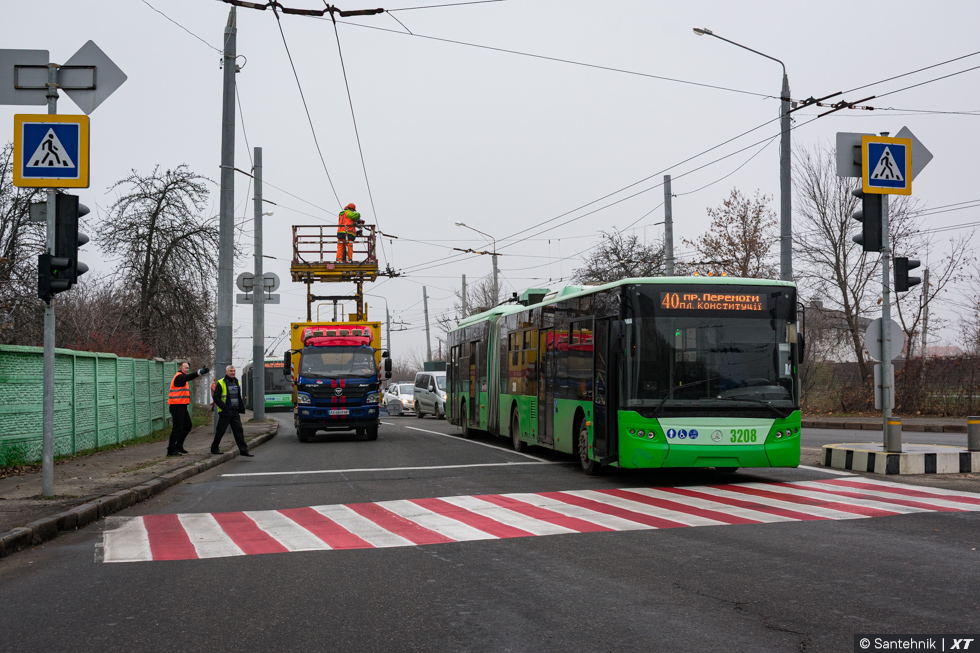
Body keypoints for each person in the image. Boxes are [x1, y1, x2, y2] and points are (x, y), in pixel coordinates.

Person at [167, 362, 209, 457]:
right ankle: (171, 450)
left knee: (187, 425)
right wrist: (199, 373)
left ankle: (179, 446)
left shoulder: (182, 377)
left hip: (181, 406)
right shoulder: (179, 377)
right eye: (185, 368)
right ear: (180, 368)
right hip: (176, 406)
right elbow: (187, 377)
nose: (187, 369)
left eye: (187, 368)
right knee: (177, 428)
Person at [211, 365, 253, 456]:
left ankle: (243, 450)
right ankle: (214, 448)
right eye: (231, 371)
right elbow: (216, 397)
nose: (233, 372)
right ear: (226, 372)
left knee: (239, 431)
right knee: (220, 431)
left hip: (235, 411)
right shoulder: (221, 382)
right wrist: (224, 407)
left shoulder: (236, 382)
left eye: (234, 371)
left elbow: (238, 396)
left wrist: (240, 407)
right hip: (225, 412)